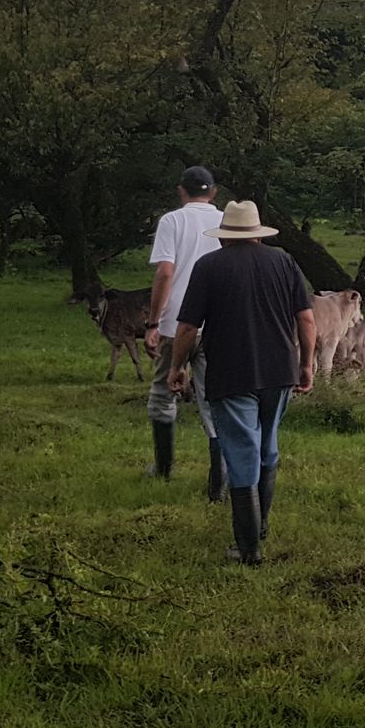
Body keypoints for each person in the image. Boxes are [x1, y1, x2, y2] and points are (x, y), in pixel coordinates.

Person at [168, 200, 316, 566]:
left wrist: (177, 367)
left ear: (224, 238)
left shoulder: (209, 266)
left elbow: (187, 328)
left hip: (231, 373)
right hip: (280, 370)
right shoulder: (283, 261)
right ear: (258, 234)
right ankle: (261, 526)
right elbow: (307, 319)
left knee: (241, 453)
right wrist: (307, 363)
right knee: (268, 446)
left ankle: (248, 548)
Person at [145, 165, 225, 498]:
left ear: (181, 190)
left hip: (176, 321)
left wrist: (153, 321)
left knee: (163, 391)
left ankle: (164, 467)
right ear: (214, 192)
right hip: (216, 320)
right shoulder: (227, 221)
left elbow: (166, 272)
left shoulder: (172, 221)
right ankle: (217, 481)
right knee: (214, 398)